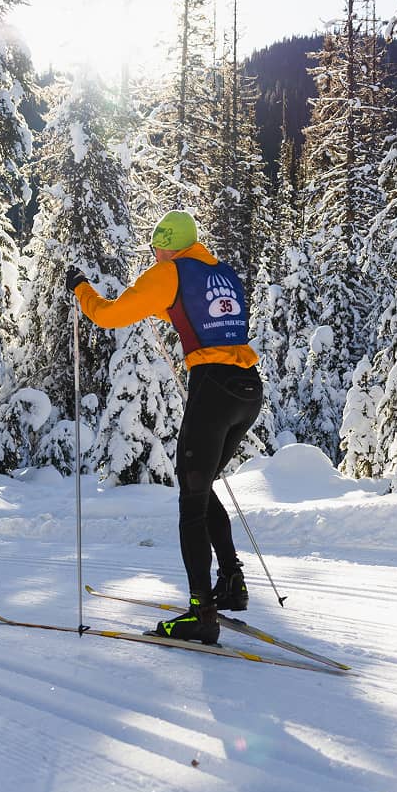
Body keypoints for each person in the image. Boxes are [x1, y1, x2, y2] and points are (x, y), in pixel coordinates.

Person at [65, 210, 263, 644]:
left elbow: (109, 316)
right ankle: (230, 582)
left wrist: (80, 288)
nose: (153, 255)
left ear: (166, 245)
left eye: (155, 248)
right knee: (202, 483)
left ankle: (201, 614)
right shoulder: (222, 271)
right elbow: (208, 316)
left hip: (212, 389)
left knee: (191, 500)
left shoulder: (168, 271)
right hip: (247, 390)